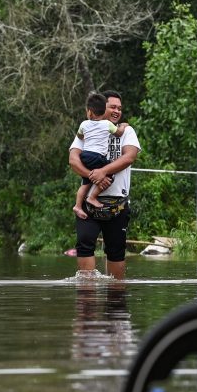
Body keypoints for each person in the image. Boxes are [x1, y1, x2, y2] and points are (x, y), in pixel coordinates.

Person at [69, 90, 140, 279]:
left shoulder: (127, 131)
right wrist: (94, 176)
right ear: (101, 109)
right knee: (84, 244)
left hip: (117, 203)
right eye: (112, 107)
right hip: (89, 202)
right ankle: (87, 295)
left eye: (120, 108)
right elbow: (73, 160)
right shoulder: (87, 127)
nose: (117, 111)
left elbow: (129, 157)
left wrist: (104, 171)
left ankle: (116, 295)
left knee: (116, 250)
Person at [73, 91, 129, 219]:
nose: (117, 111)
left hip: (85, 156)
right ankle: (92, 197)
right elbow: (119, 133)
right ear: (104, 112)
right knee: (110, 171)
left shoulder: (83, 124)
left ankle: (77, 205)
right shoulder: (107, 124)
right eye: (113, 107)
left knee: (85, 183)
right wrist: (123, 125)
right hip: (98, 157)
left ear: (89, 112)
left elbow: (80, 136)